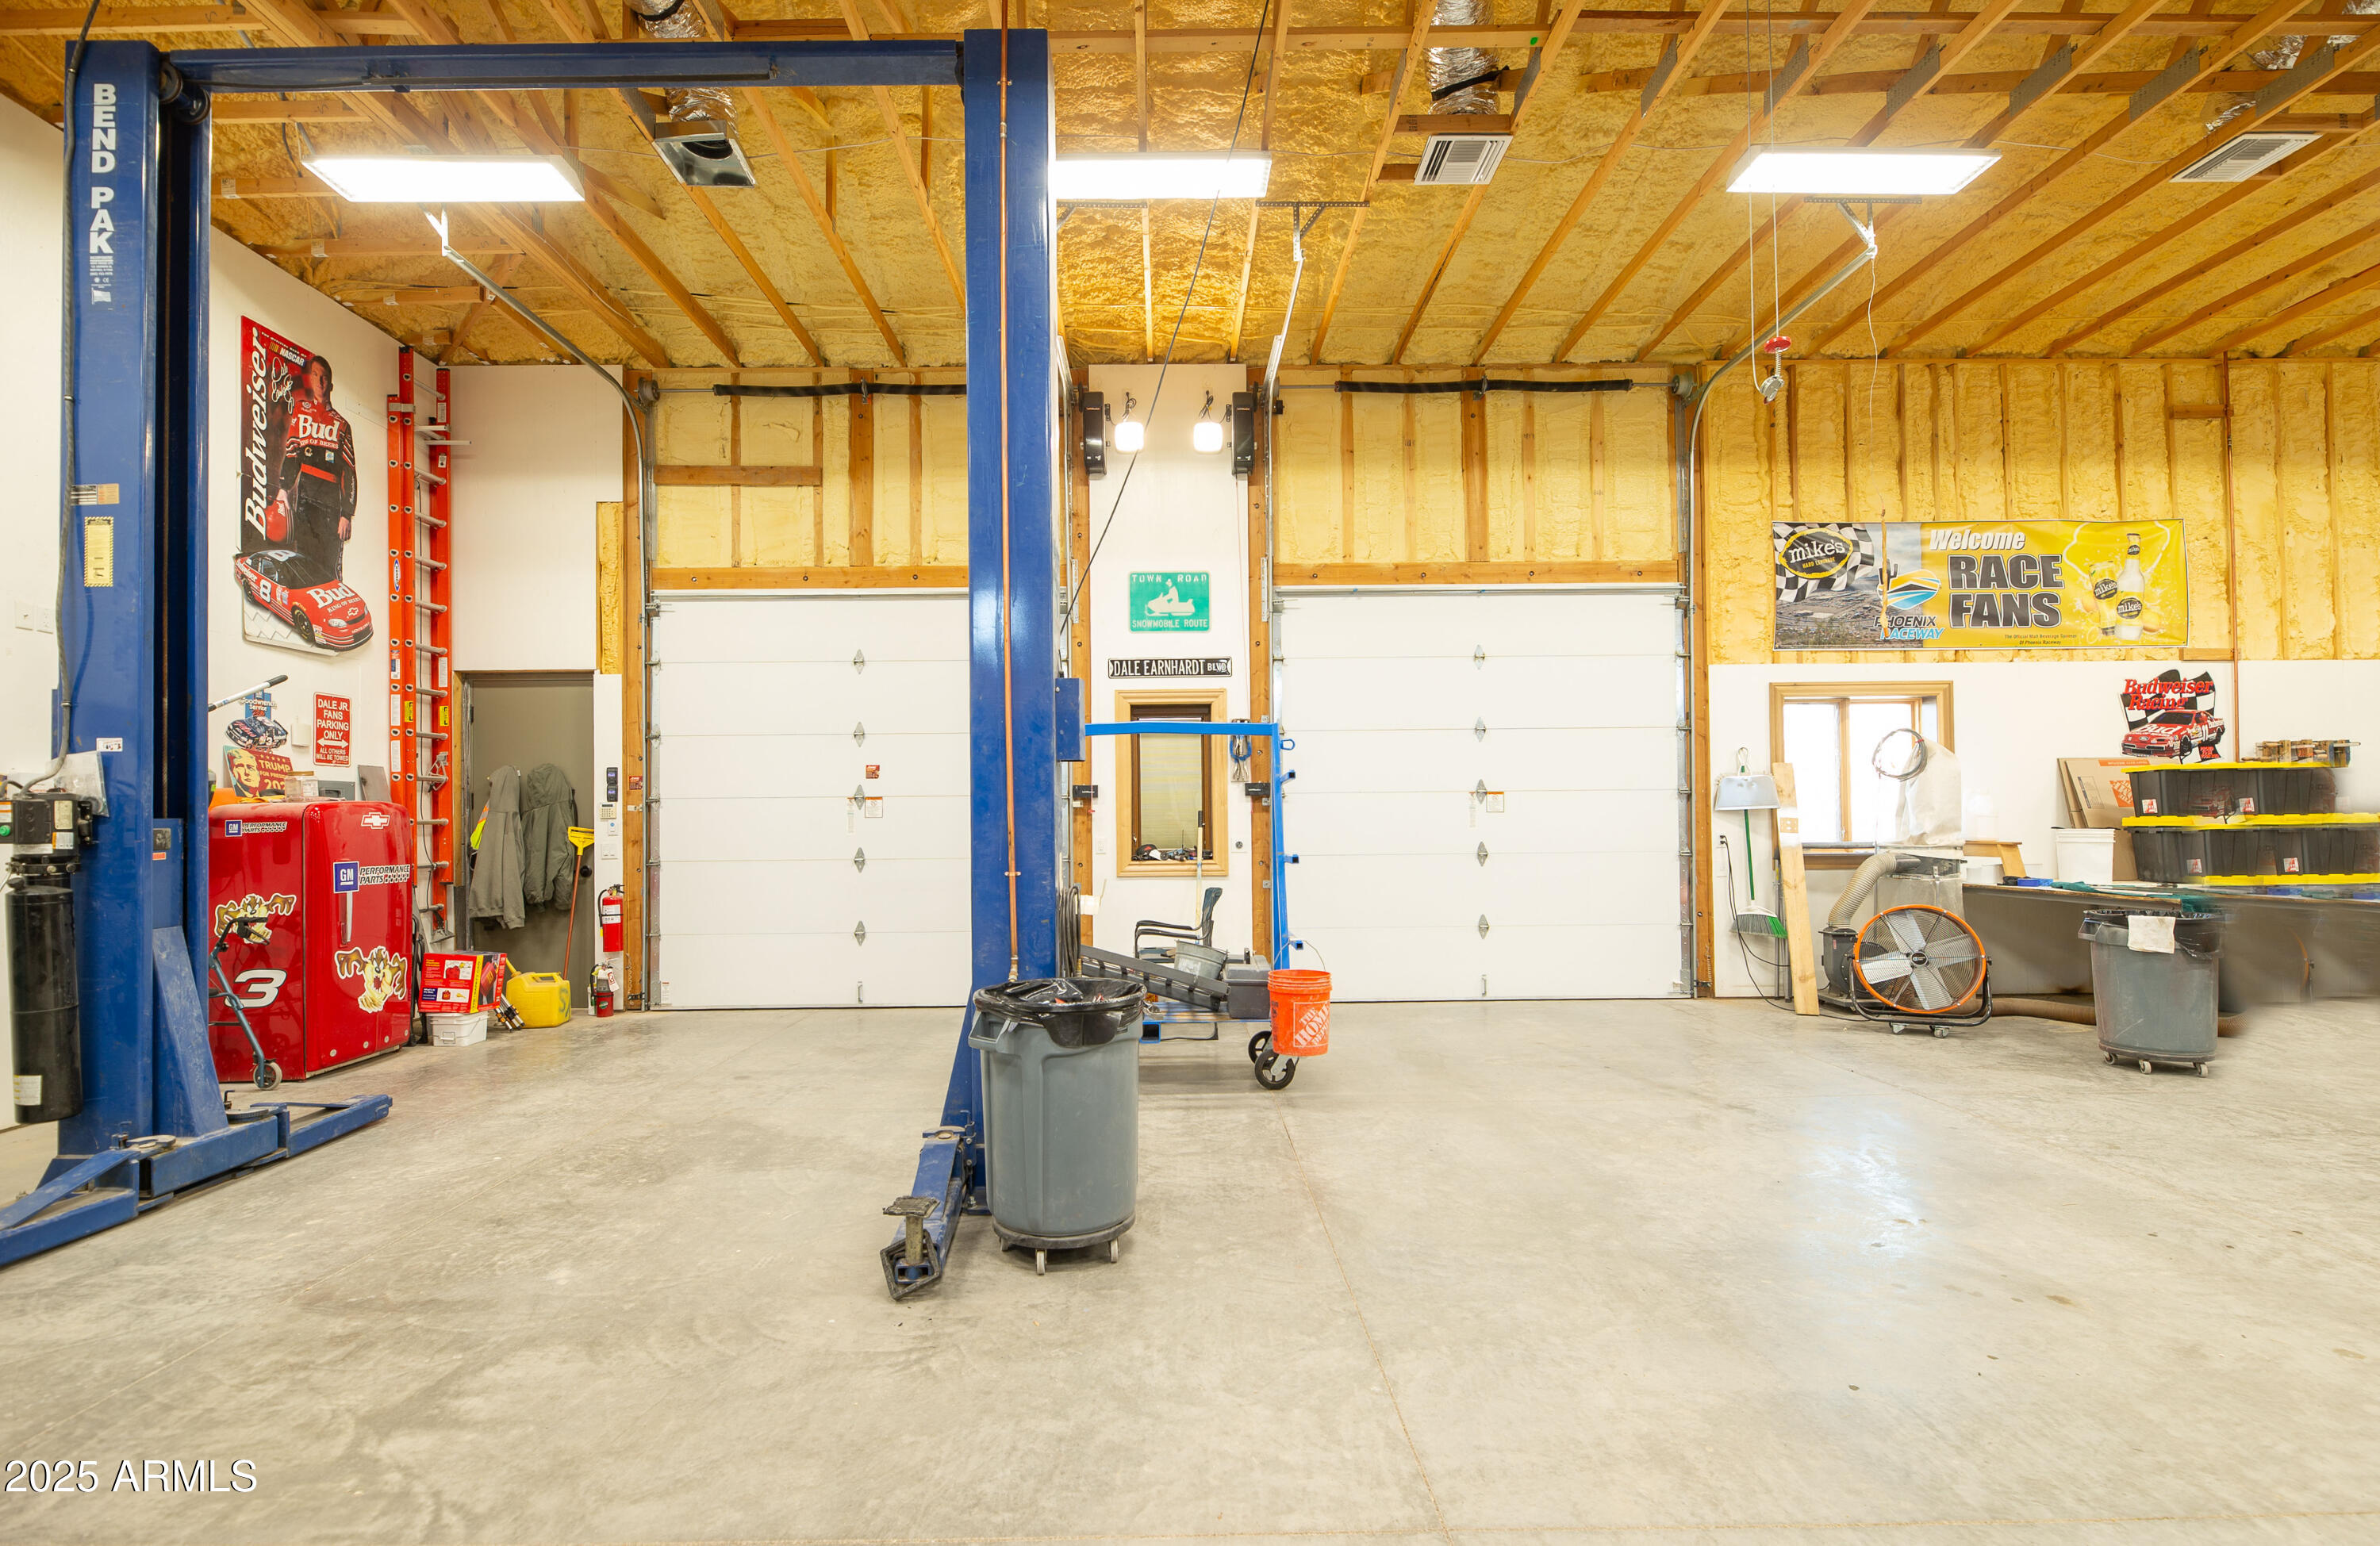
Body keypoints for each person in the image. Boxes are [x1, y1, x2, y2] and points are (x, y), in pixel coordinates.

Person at [266, 354, 356, 581]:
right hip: (305, 497)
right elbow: (293, 454)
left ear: (331, 384)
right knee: (304, 560)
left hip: (332, 503)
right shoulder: (301, 410)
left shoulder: (342, 425)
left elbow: (349, 472)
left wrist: (347, 514)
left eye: (324, 377)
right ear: (310, 379)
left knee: (330, 565)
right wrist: (283, 490)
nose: (320, 382)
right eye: (316, 376)